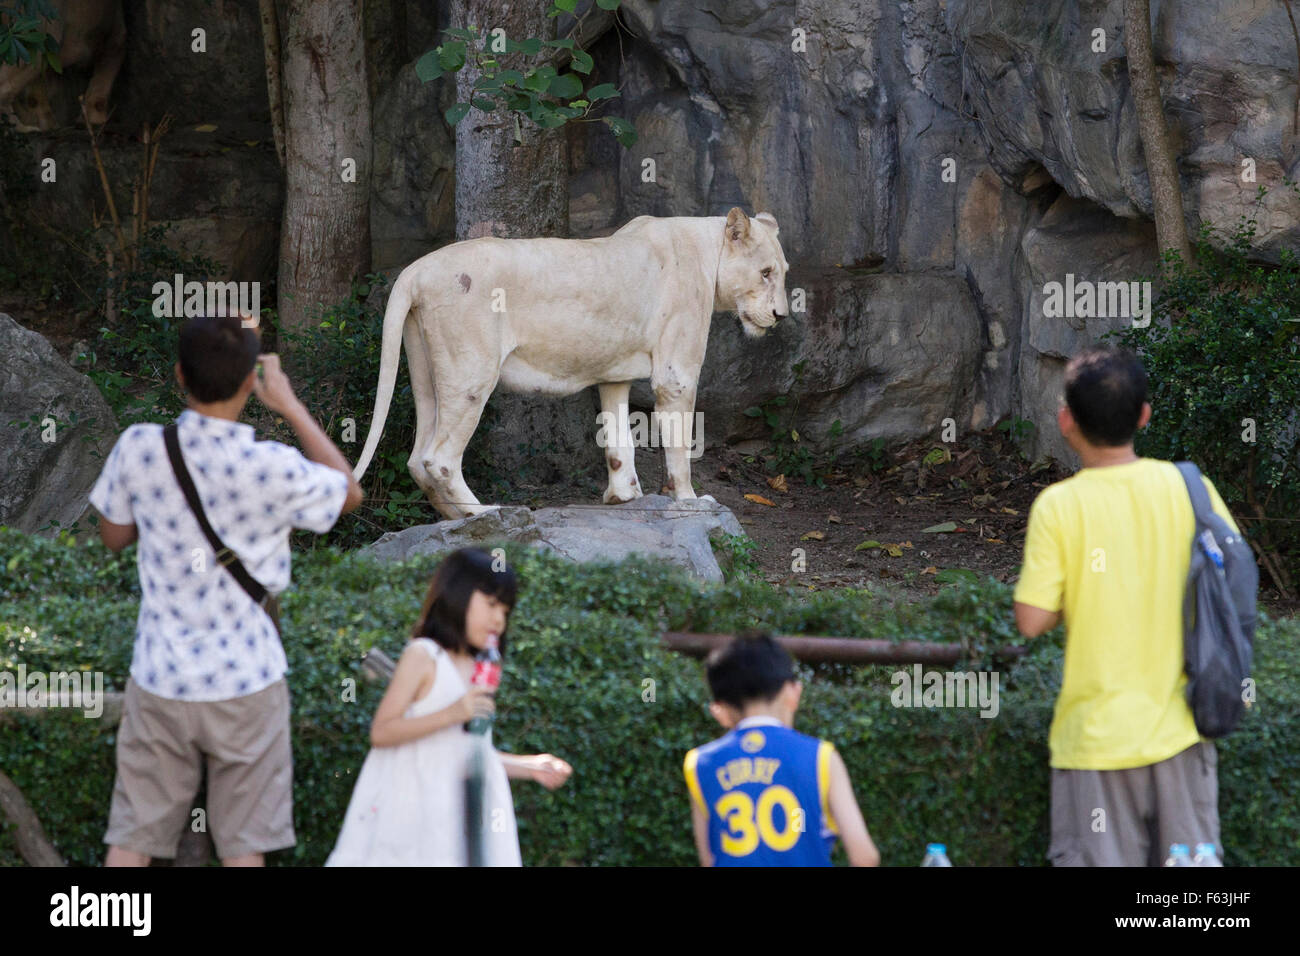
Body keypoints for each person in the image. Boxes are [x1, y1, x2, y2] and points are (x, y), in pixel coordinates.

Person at [90, 313, 364, 867]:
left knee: (133, 840)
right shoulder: (269, 465)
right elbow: (349, 494)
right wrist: (289, 405)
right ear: (249, 384)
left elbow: (113, 535)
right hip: (248, 680)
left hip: (161, 676)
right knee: (244, 847)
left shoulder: (140, 447)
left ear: (178, 375)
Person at [1014, 345, 1235, 866]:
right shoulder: (1191, 488)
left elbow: (1031, 620)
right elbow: (1227, 575)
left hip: (1095, 744)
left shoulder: (1060, 506)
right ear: (1144, 416)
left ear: (1066, 421)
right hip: (1182, 734)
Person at [326, 548, 572, 866]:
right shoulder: (424, 655)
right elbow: (382, 731)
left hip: (461, 817)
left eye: (506, 610)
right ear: (457, 595)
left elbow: (462, 749)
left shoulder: (479, 666)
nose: (499, 619)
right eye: (492, 604)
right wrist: (453, 713)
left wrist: (531, 766)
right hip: (416, 813)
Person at [683, 631, 880, 867]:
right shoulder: (821, 757)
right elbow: (865, 857)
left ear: (720, 711)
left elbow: (709, 860)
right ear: (793, 692)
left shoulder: (699, 763)